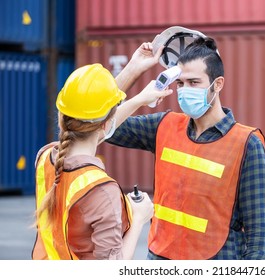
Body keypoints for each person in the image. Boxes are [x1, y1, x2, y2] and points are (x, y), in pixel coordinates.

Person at [107, 28, 265, 260]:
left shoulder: (246, 143)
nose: (185, 91)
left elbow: (259, 233)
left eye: (194, 82)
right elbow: (97, 124)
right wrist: (133, 71)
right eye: (181, 83)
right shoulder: (163, 125)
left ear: (218, 84)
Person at [32, 43, 173, 260]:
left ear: (62, 119)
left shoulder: (45, 158)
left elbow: (93, 118)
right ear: (107, 126)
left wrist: (135, 74)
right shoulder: (102, 191)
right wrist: (138, 219)